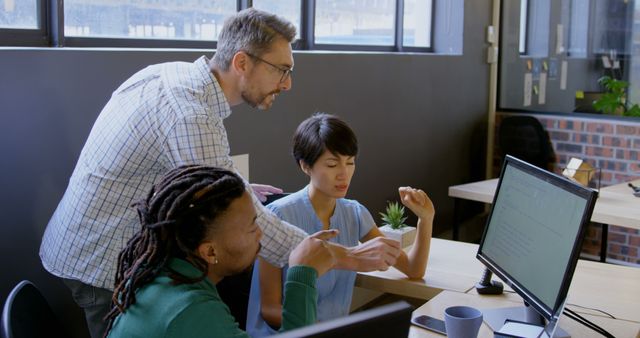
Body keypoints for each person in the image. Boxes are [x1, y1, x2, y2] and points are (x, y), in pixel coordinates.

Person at [39, 8, 401, 338]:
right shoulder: (192, 114)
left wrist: (239, 185)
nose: (288, 83)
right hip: (102, 261)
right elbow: (263, 228)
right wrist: (344, 256)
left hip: (85, 242)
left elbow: (188, 173)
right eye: (281, 70)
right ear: (242, 62)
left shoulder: (174, 75)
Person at [246, 113, 435, 336]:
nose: (344, 174)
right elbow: (269, 309)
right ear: (305, 166)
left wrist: (426, 219)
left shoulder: (354, 213)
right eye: (332, 164)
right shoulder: (277, 216)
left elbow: (413, 269)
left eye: (350, 162)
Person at [104, 165, 338, 338]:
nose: (261, 234)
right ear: (209, 251)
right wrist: (302, 274)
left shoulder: (159, 273)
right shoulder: (189, 310)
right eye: (252, 227)